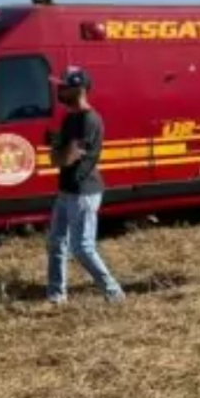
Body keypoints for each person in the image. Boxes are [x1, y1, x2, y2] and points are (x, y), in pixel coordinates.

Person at [46, 68, 125, 304]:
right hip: (66, 189)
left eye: (64, 87)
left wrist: (59, 150)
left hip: (83, 191)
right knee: (56, 242)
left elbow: (66, 157)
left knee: (82, 247)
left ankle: (114, 293)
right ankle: (56, 296)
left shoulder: (90, 120)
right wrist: (59, 148)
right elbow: (59, 156)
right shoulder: (70, 117)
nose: (59, 91)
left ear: (78, 89)